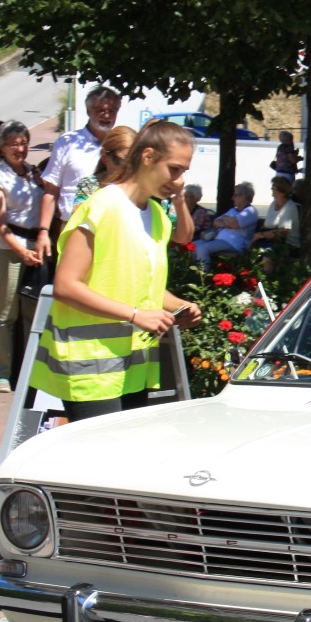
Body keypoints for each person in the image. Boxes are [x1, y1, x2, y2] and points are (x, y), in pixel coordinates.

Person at [30, 120, 203, 421]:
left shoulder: (159, 216)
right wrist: (136, 315)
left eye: (183, 172)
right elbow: (66, 286)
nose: (178, 181)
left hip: (132, 366)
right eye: (174, 169)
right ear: (148, 156)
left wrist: (180, 307)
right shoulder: (103, 206)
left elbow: (142, 286)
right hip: (89, 366)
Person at [0, 120, 44, 392]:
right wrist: (21, 250)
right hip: (10, 248)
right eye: (14, 144)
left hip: (36, 244)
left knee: (33, 311)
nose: (20, 149)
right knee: (6, 312)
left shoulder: (35, 173)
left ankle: (30, 371)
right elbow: (0, 222)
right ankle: (1, 373)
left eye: (23, 143)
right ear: (2, 146)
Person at [38, 85, 121, 244]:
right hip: (73, 226)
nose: (106, 115)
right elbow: (51, 190)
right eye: (100, 110)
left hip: (111, 229)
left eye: (112, 111)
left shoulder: (123, 145)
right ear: (89, 111)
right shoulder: (67, 142)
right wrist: (43, 232)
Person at [194, 181, 259, 268]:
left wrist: (225, 220)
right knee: (193, 246)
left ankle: (202, 277)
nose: (232, 198)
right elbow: (215, 222)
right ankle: (191, 274)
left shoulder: (250, 211)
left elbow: (234, 224)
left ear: (243, 197)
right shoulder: (233, 210)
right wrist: (228, 221)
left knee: (202, 249)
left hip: (233, 243)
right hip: (217, 239)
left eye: (235, 195)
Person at [71, 125, 136, 209]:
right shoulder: (88, 186)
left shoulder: (140, 191)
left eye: (134, 162)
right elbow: (78, 219)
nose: (127, 168)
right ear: (104, 156)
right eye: (121, 161)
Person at [253, 176, 299, 252]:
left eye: (273, 187)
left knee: (267, 254)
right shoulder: (273, 204)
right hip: (269, 240)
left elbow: (283, 232)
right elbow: (266, 224)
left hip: (287, 244)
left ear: (281, 190)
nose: (271, 189)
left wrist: (261, 235)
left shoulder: (290, 207)